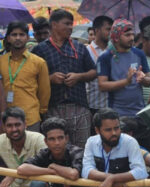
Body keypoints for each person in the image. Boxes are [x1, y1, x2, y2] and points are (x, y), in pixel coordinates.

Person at [32, 9, 96, 148]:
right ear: (54, 25)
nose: (70, 27)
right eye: (66, 24)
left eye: (71, 24)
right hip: (52, 107)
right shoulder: (40, 50)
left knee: (81, 151)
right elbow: (31, 79)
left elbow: (93, 72)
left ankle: (78, 171)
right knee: (55, 150)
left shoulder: (79, 47)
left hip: (79, 107)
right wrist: (49, 79)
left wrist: (79, 76)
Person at [0, 107, 48, 187]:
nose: (14, 129)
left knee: (39, 183)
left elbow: (47, 167)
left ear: (25, 124)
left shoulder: (38, 139)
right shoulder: (1, 141)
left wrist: (15, 174)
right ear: (4, 128)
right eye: (9, 126)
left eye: (18, 124)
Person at [0, 21, 50, 132]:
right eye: (14, 35)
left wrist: (41, 112)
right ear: (8, 38)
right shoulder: (1, 61)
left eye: (21, 35)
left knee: (31, 148)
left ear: (27, 37)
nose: (18, 38)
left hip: (30, 118)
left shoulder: (39, 62)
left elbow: (44, 92)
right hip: (5, 119)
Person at [96, 19, 150, 117]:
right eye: (127, 35)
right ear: (116, 37)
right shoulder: (105, 57)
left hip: (139, 112)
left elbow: (149, 81)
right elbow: (102, 85)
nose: (131, 38)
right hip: (117, 114)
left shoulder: (139, 54)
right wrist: (126, 81)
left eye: (132, 34)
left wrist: (143, 79)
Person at [85, 15, 113, 115]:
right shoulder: (86, 51)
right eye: (108, 29)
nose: (111, 33)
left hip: (111, 104)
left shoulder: (114, 51)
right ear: (97, 30)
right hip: (92, 104)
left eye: (112, 29)